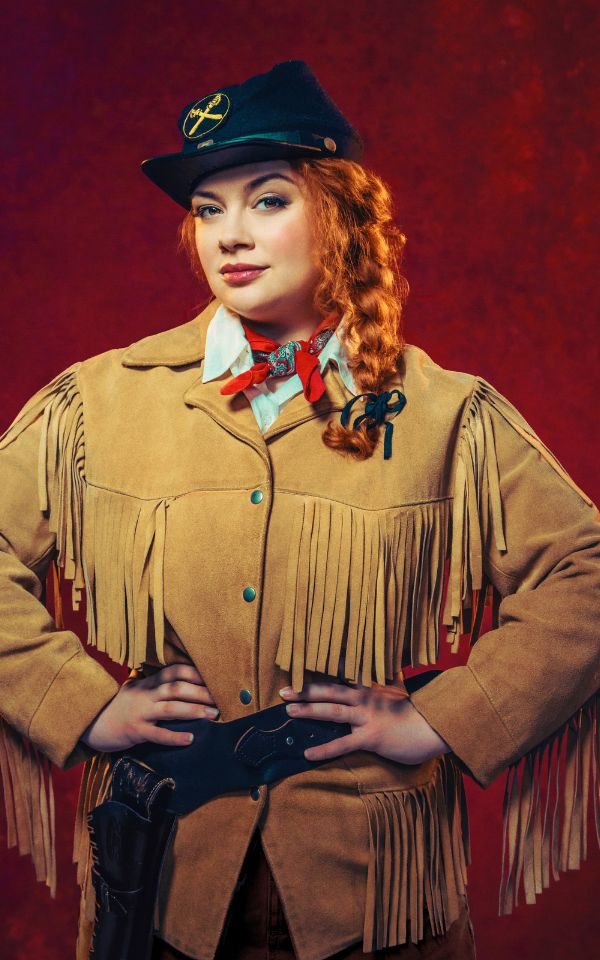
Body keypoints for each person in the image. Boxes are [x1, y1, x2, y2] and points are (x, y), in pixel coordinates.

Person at [0, 59, 598, 960]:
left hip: (374, 900)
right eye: (209, 209)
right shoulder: (98, 403)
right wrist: (82, 706)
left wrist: (439, 718)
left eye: (267, 200)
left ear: (340, 217)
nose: (230, 235)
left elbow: (583, 576)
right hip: (163, 881)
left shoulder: (445, 412)